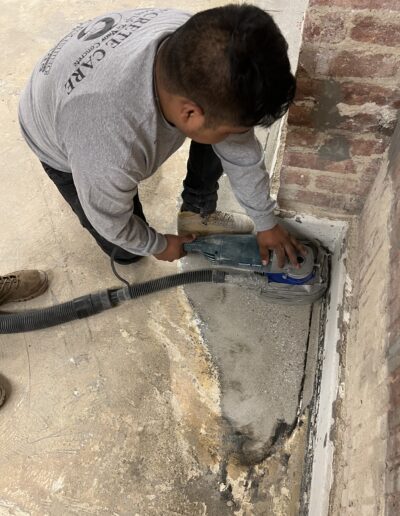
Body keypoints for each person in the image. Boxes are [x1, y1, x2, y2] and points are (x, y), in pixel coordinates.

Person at [18, 4, 306, 268]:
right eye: (240, 132)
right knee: (128, 251)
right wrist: (157, 244)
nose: (243, 138)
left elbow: (240, 151)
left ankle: (197, 212)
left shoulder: (199, 49)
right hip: (52, 128)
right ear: (189, 113)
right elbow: (110, 220)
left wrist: (265, 222)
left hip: (95, 82)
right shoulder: (108, 145)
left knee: (223, 126)